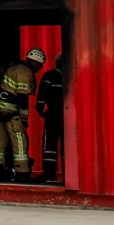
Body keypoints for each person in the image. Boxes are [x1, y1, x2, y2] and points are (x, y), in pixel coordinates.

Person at [0, 47, 46, 183]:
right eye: (40, 65)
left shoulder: (15, 68)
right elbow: (22, 98)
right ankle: (22, 172)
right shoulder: (25, 72)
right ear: (36, 62)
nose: (40, 68)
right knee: (20, 140)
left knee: (1, 140)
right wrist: (24, 119)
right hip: (10, 111)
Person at [35, 53, 65, 183]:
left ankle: (49, 174)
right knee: (66, 146)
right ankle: (68, 175)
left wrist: (41, 110)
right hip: (67, 116)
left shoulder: (49, 76)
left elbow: (42, 95)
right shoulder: (70, 77)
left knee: (49, 146)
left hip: (52, 115)